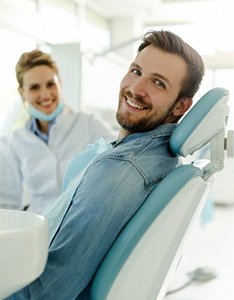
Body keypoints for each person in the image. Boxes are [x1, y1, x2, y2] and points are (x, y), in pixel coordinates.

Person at [6, 29, 205, 299]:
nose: (136, 89)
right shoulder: (146, 156)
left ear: (181, 106)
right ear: (22, 93)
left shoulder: (122, 166)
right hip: (39, 237)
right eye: (136, 71)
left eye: (158, 83)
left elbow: (48, 290)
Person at [0, 49, 115, 214]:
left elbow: (119, 156)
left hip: (78, 219)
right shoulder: (16, 141)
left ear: (60, 83)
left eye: (50, 84)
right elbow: (9, 200)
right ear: (22, 92)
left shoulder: (89, 124)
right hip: (37, 227)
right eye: (34, 88)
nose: (45, 94)